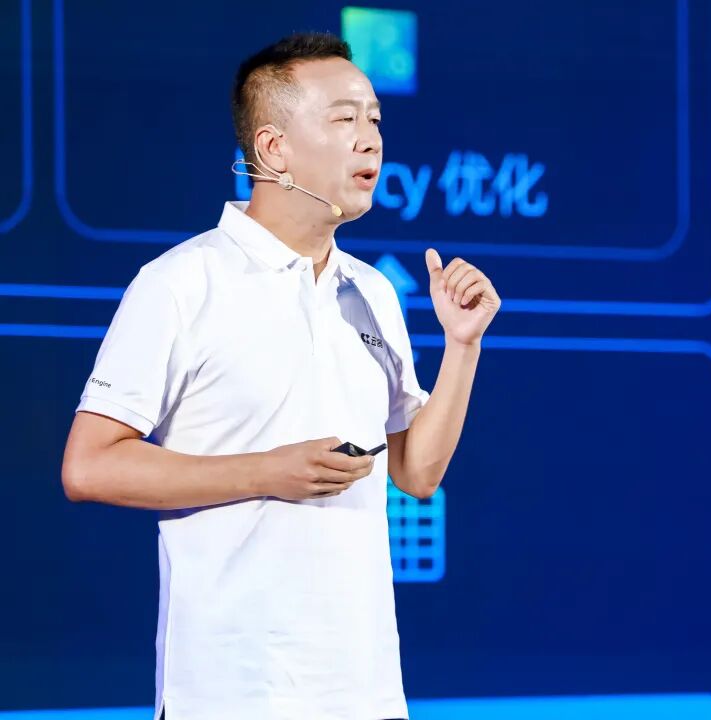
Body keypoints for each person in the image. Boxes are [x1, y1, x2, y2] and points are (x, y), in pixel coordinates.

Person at [60, 32, 500, 720]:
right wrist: (267, 471)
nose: (370, 140)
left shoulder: (371, 291)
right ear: (273, 148)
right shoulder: (182, 282)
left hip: (365, 692)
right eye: (344, 119)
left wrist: (462, 347)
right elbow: (88, 466)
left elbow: (417, 472)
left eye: (375, 119)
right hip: (229, 692)